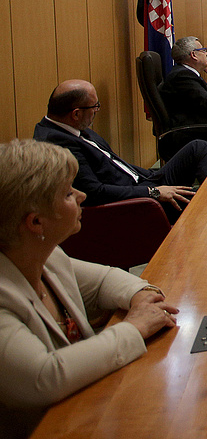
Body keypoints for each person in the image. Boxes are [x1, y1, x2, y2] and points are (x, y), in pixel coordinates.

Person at [0, 140, 180, 434]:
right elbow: (46, 377)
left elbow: (105, 281)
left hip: (87, 413)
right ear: (36, 222)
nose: (82, 195)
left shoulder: (49, 256)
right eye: (68, 193)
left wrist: (142, 295)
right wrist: (134, 327)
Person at [33, 80, 207, 214]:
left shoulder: (70, 127)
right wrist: (153, 192)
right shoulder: (59, 146)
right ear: (76, 114)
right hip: (136, 202)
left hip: (144, 182)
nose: (97, 110)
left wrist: (152, 177)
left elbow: (115, 162)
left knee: (198, 147)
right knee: (204, 201)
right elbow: (95, 192)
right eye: (95, 106)